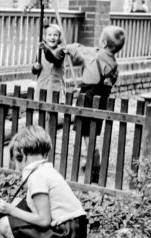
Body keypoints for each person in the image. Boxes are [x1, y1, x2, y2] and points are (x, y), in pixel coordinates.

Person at [0, 125, 88, 238]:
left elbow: (43, 220)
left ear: (20, 155)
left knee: (5, 224)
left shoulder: (37, 177)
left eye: (15, 160)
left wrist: (10, 210)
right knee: (18, 206)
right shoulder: (45, 170)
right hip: (75, 233)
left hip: (66, 237)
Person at [65, 26, 126, 183]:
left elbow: (76, 49)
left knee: (86, 133)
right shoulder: (114, 63)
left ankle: (94, 164)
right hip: (100, 101)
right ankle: (91, 160)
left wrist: (66, 48)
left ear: (104, 42)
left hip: (88, 99)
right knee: (92, 131)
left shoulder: (93, 54)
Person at [31, 23, 66, 102]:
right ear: (44, 37)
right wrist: (35, 68)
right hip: (42, 86)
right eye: (49, 35)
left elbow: (54, 60)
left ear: (59, 38)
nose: (52, 37)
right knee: (41, 111)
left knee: (54, 110)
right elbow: (34, 71)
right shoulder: (40, 51)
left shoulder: (61, 51)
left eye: (55, 35)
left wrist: (45, 49)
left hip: (55, 88)